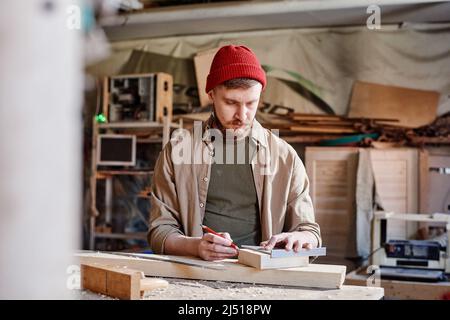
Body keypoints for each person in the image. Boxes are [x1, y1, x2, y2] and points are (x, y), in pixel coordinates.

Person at [148, 45, 321, 261]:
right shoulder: (177, 152)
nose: (242, 115)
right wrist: (195, 247)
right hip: (195, 273)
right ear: (211, 94)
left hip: (262, 279)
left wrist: (301, 238)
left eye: (251, 103)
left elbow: (310, 231)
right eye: (231, 103)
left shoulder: (285, 157)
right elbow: (159, 231)